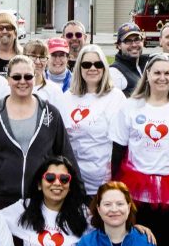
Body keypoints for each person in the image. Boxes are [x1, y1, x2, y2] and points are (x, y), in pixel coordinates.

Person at [111, 53, 169, 246]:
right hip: (137, 190)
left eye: (167, 73)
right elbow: (118, 152)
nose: (162, 78)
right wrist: (116, 190)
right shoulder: (129, 106)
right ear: (148, 75)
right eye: (157, 73)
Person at [0, 55, 67, 211]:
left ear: (35, 77)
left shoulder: (50, 114)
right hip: (1, 202)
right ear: (8, 80)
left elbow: (65, 156)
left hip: (41, 203)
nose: (22, 81)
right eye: (17, 77)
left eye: (28, 76)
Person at [48, 44, 126, 196]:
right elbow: (60, 140)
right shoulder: (66, 98)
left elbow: (122, 143)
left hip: (105, 179)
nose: (92, 68)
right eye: (86, 64)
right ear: (79, 68)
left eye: (98, 64)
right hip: (74, 178)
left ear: (104, 67)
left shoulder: (116, 97)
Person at [108, 23, 147, 95]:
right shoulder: (115, 73)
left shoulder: (147, 65)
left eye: (137, 39)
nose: (134, 45)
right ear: (119, 45)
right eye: (128, 41)